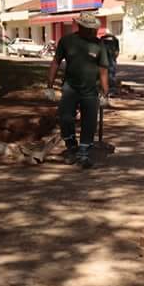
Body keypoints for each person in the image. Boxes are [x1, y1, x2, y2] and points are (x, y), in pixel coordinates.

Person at [46, 12, 110, 169]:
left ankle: (83, 153)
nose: (92, 31)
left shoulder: (99, 45)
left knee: (89, 122)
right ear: (80, 26)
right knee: (65, 118)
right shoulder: (67, 41)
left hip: (90, 91)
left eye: (93, 28)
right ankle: (71, 147)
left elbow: (103, 70)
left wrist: (105, 92)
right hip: (70, 88)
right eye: (88, 28)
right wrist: (49, 85)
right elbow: (56, 62)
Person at [100, 31, 120, 96]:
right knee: (111, 75)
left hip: (106, 61)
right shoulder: (115, 41)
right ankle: (111, 91)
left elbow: (116, 53)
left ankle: (106, 91)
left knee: (108, 75)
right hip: (110, 61)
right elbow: (117, 53)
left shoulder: (102, 41)